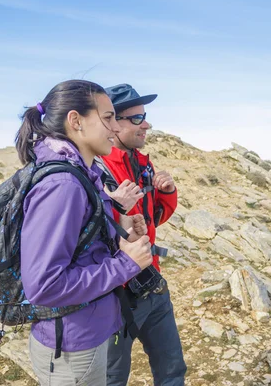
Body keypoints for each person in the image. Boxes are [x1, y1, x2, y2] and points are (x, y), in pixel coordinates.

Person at [16, 80, 153, 385]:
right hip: (73, 346)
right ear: (76, 121)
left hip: (83, 332)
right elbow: (43, 286)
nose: (115, 128)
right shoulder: (63, 185)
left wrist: (120, 232)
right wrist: (126, 264)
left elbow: (79, 245)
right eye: (107, 118)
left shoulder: (81, 173)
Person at [98, 84, 187, 386]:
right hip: (115, 294)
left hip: (152, 282)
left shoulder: (141, 163)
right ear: (112, 123)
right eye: (136, 118)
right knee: (112, 378)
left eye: (145, 116)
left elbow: (154, 219)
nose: (146, 124)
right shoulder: (97, 170)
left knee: (173, 369)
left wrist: (168, 193)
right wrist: (116, 209)